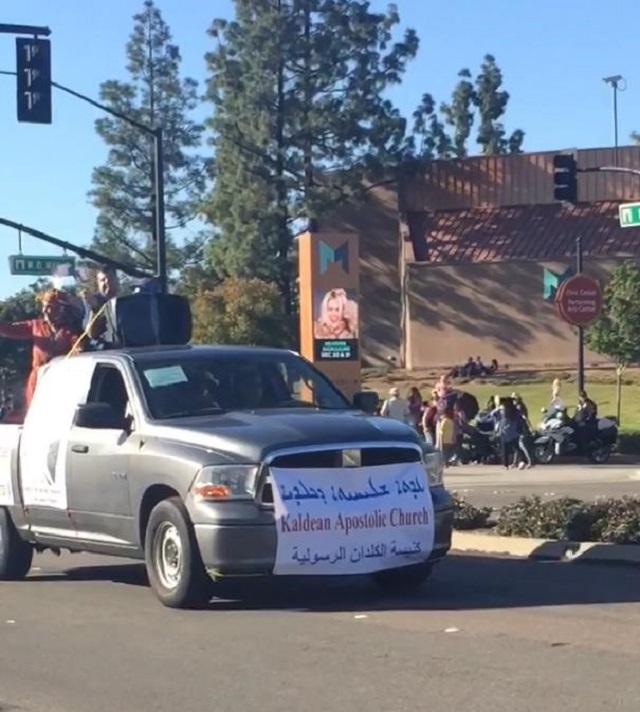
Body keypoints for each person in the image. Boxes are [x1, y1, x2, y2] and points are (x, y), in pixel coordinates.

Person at [0, 289, 83, 411]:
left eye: (49, 307)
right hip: (37, 385)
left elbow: (79, 349)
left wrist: (78, 349)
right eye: (44, 307)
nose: (44, 311)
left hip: (61, 385)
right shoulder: (36, 325)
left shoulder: (71, 331)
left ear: (61, 309)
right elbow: (9, 329)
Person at [85, 265, 120, 346]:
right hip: (103, 351)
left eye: (110, 278)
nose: (107, 282)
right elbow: (90, 333)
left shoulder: (123, 300)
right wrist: (95, 308)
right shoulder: (92, 301)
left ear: (116, 280)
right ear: (98, 283)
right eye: (102, 280)